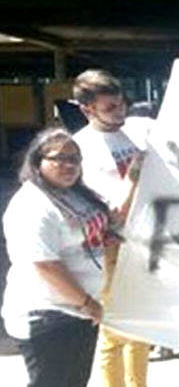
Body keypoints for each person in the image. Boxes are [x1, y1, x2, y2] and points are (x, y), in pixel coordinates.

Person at [2, 128, 112, 387]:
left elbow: (103, 227)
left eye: (74, 159)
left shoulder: (74, 194)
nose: (68, 165)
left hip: (79, 312)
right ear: (38, 162)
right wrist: (87, 303)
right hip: (48, 315)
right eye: (59, 158)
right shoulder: (33, 204)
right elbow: (45, 264)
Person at [72, 69, 153, 387]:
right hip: (110, 244)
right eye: (110, 108)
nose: (119, 113)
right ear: (86, 108)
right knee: (114, 327)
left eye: (121, 105)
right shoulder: (79, 148)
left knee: (143, 325)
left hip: (146, 239)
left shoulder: (138, 129)